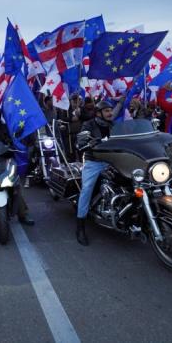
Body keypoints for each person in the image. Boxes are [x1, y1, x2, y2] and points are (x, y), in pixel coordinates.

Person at [74, 100, 116, 246]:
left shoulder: (114, 125)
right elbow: (80, 142)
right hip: (94, 162)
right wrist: (87, 142)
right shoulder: (89, 125)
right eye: (106, 111)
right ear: (99, 113)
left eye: (111, 110)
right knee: (86, 190)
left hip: (113, 160)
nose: (110, 113)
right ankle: (80, 227)